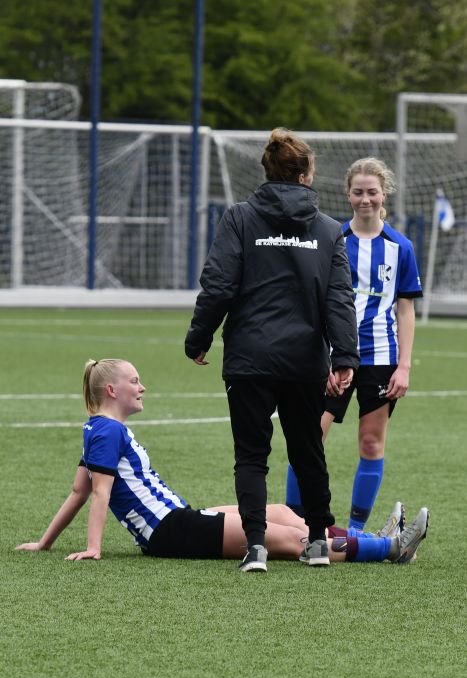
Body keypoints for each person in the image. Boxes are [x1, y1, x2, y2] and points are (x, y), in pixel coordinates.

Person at [16, 359, 429, 568]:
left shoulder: (99, 429)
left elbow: (78, 491)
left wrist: (44, 543)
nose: (142, 387)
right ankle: (389, 548)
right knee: (289, 540)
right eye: (134, 381)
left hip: (178, 519)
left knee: (283, 513)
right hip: (170, 532)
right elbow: (97, 493)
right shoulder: (106, 431)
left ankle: (374, 537)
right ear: (111, 390)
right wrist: (93, 548)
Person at [185, 127, 360, 572]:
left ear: (267, 171)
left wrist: (199, 337)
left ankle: (256, 548)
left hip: (249, 359)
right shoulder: (328, 230)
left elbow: (218, 285)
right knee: (308, 451)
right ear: (306, 175)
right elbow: (339, 298)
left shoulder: (239, 219)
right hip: (304, 362)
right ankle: (317, 542)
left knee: (251, 455)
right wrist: (345, 357)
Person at [286, 157, 423, 531]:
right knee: (310, 439)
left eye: (372, 192)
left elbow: (405, 310)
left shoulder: (401, 247)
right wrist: (322, 356)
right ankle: (295, 524)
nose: (365, 199)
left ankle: (355, 532)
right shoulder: (332, 239)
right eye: (358, 192)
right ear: (348, 194)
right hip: (331, 357)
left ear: (384, 194)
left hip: (380, 358)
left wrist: (404, 366)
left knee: (371, 443)